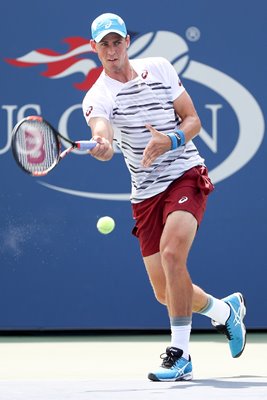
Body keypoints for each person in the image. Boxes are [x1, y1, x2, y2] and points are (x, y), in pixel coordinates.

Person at [82, 12, 246, 382]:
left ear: (128, 42)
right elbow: (101, 130)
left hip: (185, 173)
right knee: (166, 292)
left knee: (173, 254)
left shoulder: (159, 68)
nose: (112, 50)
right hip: (145, 194)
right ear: (94, 48)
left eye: (117, 41)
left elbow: (193, 120)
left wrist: (169, 140)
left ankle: (180, 353)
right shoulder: (97, 97)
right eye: (104, 44)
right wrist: (104, 144)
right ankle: (224, 312)